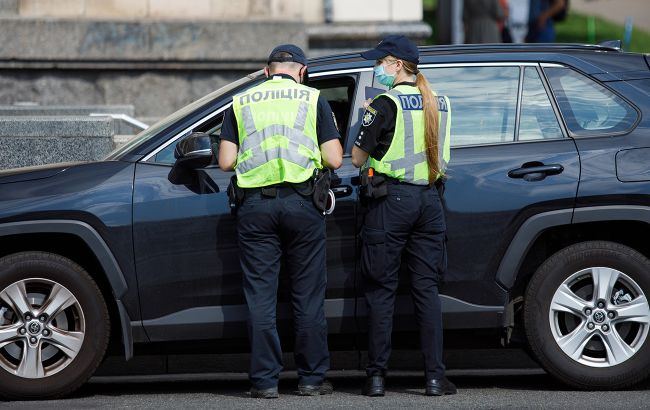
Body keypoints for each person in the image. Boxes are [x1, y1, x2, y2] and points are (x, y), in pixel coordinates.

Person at [218, 44, 343, 399]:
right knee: (307, 295)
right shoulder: (312, 98)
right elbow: (334, 159)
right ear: (301, 71)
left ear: (266, 70)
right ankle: (311, 379)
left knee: (260, 297)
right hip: (302, 205)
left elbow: (227, 161)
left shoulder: (242, 102)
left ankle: (264, 382)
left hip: (255, 207)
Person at [351, 35, 455, 397]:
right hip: (430, 202)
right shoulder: (439, 102)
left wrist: (368, 116)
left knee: (382, 291)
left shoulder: (383, 102)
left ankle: (377, 378)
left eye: (380, 61)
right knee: (426, 291)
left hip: (392, 203)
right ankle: (435, 379)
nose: (376, 67)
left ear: (396, 64)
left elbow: (357, 159)